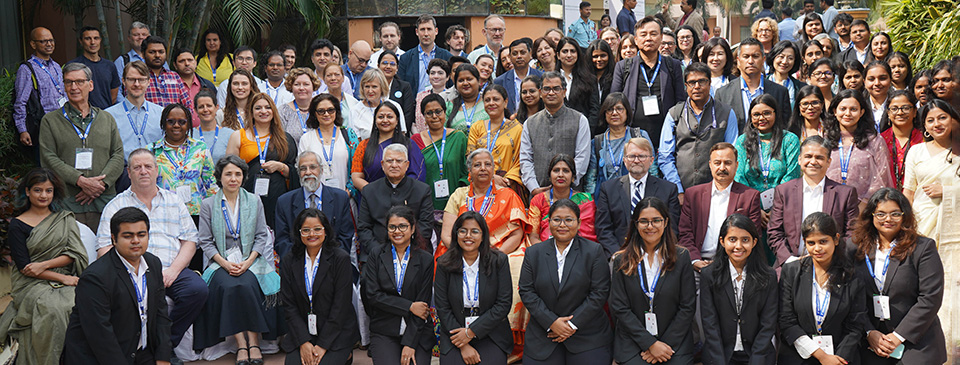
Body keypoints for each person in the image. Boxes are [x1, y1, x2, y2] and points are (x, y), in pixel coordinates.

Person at [95, 149, 208, 352]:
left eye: (148, 166)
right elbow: (104, 248)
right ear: (129, 173)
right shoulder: (116, 206)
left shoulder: (174, 201)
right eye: (137, 167)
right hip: (132, 272)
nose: (143, 171)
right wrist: (127, 275)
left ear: (157, 170)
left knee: (197, 290)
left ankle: (162, 345)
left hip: (170, 269)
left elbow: (190, 241)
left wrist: (173, 270)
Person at [193, 155, 279, 363]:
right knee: (231, 286)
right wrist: (225, 263)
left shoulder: (253, 200)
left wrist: (248, 262)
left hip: (251, 260)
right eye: (228, 174)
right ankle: (242, 345)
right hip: (221, 262)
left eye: (238, 174)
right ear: (219, 177)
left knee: (248, 284)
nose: (233, 178)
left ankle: (255, 342)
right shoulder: (208, 204)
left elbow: (261, 235)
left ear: (243, 177)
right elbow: (205, 241)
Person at [1, 168, 88, 365]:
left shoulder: (64, 219)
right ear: (28, 192)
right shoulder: (17, 224)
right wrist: (61, 278)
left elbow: (75, 253)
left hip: (61, 273)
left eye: (48, 191)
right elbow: (26, 268)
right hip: (30, 282)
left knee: (81, 302)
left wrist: (46, 264)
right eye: (38, 190)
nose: (43, 195)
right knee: (53, 308)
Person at [63, 207, 171, 364]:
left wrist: (163, 357)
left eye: (141, 235)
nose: (136, 241)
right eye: (128, 236)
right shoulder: (95, 277)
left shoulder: (153, 264)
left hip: (141, 352)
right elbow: (99, 334)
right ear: (114, 239)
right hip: (102, 357)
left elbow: (161, 313)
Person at [851, 188, 947, 363]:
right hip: (872, 342)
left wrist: (898, 336)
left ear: (905, 216)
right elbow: (851, 297)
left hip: (916, 342)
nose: (888, 219)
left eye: (895, 214)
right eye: (880, 214)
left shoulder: (923, 248)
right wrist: (869, 331)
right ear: (871, 216)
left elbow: (930, 298)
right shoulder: (855, 248)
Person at [518, 199, 613, 364]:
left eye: (569, 220)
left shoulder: (594, 251)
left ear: (579, 223)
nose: (562, 225)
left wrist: (572, 324)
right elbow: (527, 291)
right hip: (544, 334)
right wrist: (551, 322)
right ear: (548, 222)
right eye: (556, 219)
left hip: (587, 334)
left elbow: (600, 292)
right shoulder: (534, 253)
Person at [38, 62, 125, 232]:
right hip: (69, 202)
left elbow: (118, 154)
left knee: (104, 252)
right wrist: (80, 181)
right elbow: (48, 158)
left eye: (79, 81)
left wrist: (100, 185)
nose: (74, 87)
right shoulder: (50, 121)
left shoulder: (107, 119)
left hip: (103, 201)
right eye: (68, 82)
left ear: (90, 85)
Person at [609, 197, 695, 365]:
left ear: (666, 222)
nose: (650, 226)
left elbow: (687, 306)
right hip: (633, 343)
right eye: (644, 221)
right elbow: (620, 308)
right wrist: (650, 344)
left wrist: (663, 346)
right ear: (635, 224)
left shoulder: (682, 257)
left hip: (674, 343)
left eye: (656, 220)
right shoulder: (622, 260)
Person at [778, 212, 865, 365]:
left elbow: (855, 325)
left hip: (841, 357)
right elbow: (786, 321)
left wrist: (838, 359)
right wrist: (822, 356)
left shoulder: (852, 275)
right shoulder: (791, 271)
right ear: (804, 242)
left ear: (836, 239)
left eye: (823, 241)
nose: (817, 248)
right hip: (799, 357)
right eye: (811, 243)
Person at [279, 208, 359, 365]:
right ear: (299, 233)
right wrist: (304, 342)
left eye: (317, 229)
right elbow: (289, 306)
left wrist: (322, 345)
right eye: (306, 230)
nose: (312, 234)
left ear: (326, 231)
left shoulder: (340, 259)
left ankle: (346, 354)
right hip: (304, 332)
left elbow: (340, 307)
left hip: (336, 332)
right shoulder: (289, 260)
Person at [434, 211, 513, 365]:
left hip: (491, 332)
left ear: (483, 235)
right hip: (455, 333)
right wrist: (463, 343)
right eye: (462, 231)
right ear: (456, 234)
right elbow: (442, 307)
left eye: (474, 231)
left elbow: (503, 305)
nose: (468, 236)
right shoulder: (444, 263)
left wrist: (471, 332)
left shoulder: (498, 261)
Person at [768, 136, 860, 267]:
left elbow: (852, 234)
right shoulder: (783, 191)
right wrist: (790, 260)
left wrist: (831, 258)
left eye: (819, 157)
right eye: (808, 156)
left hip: (833, 265)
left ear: (829, 162)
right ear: (800, 160)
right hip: (790, 265)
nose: (813, 161)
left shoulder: (845, 193)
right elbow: (774, 232)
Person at [361, 205, 435, 365]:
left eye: (402, 226)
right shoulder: (376, 254)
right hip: (384, 329)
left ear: (413, 228)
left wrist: (410, 343)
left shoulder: (425, 259)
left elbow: (422, 307)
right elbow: (373, 295)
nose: (397, 231)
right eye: (392, 227)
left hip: (417, 330)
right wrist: (409, 306)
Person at [700, 214, 778, 364]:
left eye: (745, 240)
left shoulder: (768, 276)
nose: (738, 246)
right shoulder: (709, 275)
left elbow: (768, 324)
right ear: (722, 241)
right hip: (720, 355)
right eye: (732, 239)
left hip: (758, 356)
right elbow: (710, 324)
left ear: (754, 242)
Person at [659, 62, 740, 194]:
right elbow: (665, 156)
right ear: (686, 86)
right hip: (681, 190)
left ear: (710, 84)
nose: (697, 87)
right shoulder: (674, 114)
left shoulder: (726, 112)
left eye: (702, 81)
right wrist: (678, 190)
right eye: (692, 82)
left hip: (718, 191)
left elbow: (733, 153)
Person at [678, 143, 763, 266]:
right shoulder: (693, 195)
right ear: (710, 165)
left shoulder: (749, 196)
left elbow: (753, 236)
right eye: (717, 163)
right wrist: (695, 261)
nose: (722, 168)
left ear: (736, 165)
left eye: (728, 163)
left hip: (734, 265)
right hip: (698, 263)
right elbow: (685, 233)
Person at [596, 137, 680, 257]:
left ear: (651, 160)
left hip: (657, 255)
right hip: (620, 254)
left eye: (641, 156)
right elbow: (603, 228)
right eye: (631, 156)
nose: (636, 160)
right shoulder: (609, 189)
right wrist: (619, 255)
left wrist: (656, 254)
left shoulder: (668, 189)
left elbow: (672, 229)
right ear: (625, 160)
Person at [225, 92, 299, 228]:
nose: (263, 111)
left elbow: (296, 173)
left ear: (273, 111)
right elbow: (229, 171)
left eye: (267, 107)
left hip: (278, 199)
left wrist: (280, 167)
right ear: (251, 112)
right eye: (258, 108)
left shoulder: (285, 139)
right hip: (247, 198)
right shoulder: (238, 136)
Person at [611, 17, 685, 147]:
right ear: (636, 39)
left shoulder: (673, 65)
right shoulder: (623, 66)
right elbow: (615, 101)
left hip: (666, 135)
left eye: (653, 34)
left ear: (661, 37)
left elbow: (680, 101)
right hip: (632, 136)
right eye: (643, 34)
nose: (648, 38)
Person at [356, 143, 433, 262]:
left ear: (407, 165)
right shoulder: (369, 190)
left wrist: (405, 250)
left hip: (413, 253)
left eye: (399, 161)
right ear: (382, 165)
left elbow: (425, 226)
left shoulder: (422, 190)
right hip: (376, 254)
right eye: (389, 161)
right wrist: (379, 252)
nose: (394, 165)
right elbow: (364, 228)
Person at [520, 72, 591, 194]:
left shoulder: (579, 120)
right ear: (541, 93)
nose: (551, 93)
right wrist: (534, 188)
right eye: (547, 89)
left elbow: (582, 158)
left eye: (556, 89)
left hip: (570, 194)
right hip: (539, 195)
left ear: (564, 92)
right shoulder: (529, 123)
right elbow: (526, 159)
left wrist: (566, 184)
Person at [275, 150, 355, 258]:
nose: (308, 172)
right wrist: (305, 262)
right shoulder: (284, 202)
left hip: (333, 264)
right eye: (303, 169)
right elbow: (282, 242)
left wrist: (325, 262)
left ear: (321, 170)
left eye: (312, 167)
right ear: (298, 173)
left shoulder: (340, 198)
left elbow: (345, 237)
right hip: (297, 263)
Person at [824, 89, 894, 205]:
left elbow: (882, 176)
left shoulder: (874, 140)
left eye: (853, 109)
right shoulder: (825, 139)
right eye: (843, 109)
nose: (847, 114)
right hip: (829, 203)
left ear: (862, 112)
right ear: (835, 111)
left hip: (864, 207)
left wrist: (864, 204)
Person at [903, 99, 960, 241]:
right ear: (925, 127)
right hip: (922, 222)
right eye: (930, 120)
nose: (937, 124)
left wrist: (946, 191)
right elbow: (908, 193)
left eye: (942, 118)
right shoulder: (916, 151)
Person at [150, 103, 217, 220]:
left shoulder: (200, 148)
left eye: (182, 122)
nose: (176, 125)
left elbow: (211, 185)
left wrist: (214, 214)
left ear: (189, 124)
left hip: (197, 213)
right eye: (171, 121)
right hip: (163, 214)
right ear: (163, 124)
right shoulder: (151, 151)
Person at [585, 92, 658, 195]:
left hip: (638, 195)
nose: (614, 113)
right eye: (610, 109)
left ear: (627, 112)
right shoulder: (597, 142)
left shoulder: (639, 135)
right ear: (604, 114)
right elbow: (591, 178)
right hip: (607, 198)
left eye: (619, 109)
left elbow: (652, 169)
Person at [715, 38, 790, 132]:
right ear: (738, 61)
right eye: (746, 56)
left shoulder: (780, 92)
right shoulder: (723, 94)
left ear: (763, 60)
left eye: (755, 56)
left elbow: (784, 128)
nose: (750, 61)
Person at [15, 27, 65, 164]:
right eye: (43, 41)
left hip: (62, 124)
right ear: (33, 44)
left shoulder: (56, 66)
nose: (49, 44)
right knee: (46, 168)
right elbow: (20, 102)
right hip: (44, 126)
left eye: (51, 40)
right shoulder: (26, 69)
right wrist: (22, 130)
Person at [734, 94, 801, 195]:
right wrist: (753, 202)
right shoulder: (743, 141)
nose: (761, 118)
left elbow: (792, 174)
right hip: (749, 202)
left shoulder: (789, 139)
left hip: (784, 199)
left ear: (776, 114)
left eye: (767, 113)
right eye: (756, 115)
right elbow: (739, 176)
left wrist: (776, 201)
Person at [412, 94, 468, 214]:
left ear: (445, 112)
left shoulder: (458, 137)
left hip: (456, 200)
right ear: (423, 116)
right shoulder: (415, 140)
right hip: (426, 202)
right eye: (429, 113)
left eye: (438, 111)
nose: (434, 116)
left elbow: (466, 170)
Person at [297, 92, 360, 197]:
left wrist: (348, 193)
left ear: (336, 111)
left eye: (330, 110)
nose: (326, 114)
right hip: (316, 198)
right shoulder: (306, 139)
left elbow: (357, 168)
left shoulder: (348, 135)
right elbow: (302, 170)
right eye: (321, 111)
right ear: (315, 114)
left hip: (346, 198)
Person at [351, 103, 424, 189]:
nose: (385, 120)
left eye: (389, 117)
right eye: (380, 117)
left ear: (397, 121)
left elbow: (417, 174)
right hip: (372, 199)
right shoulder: (364, 145)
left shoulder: (409, 145)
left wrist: (398, 194)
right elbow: (356, 177)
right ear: (375, 121)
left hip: (404, 198)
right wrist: (373, 194)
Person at [528, 153, 597, 243]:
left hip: (578, 252)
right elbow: (533, 237)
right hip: (545, 251)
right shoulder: (538, 200)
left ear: (573, 177)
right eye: (556, 170)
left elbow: (588, 237)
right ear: (550, 176)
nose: (560, 175)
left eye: (566, 171)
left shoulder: (585, 200)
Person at [106, 61, 166, 162]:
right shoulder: (109, 115)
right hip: (123, 172)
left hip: (155, 171)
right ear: (123, 81)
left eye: (141, 80)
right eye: (132, 79)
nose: (136, 84)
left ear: (148, 82)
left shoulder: (161, 114)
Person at [880, 90, 923, 190]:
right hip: (887, 198)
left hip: (918, 197)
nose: (900, 112)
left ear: (915, 112)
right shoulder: (879, 140)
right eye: (894, 109)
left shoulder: (925, 140)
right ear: (888, 113)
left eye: (906, 108)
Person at [399, 15, 453, 94]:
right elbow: (401, 85)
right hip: (414, 103)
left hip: (441, 102)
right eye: (422, 30)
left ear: (436, 31)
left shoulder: (447, 56)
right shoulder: (406, 58)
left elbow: (451, 85)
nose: (426, 34)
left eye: (429, 29)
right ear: (417, 32)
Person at [349, 68, 408, 140]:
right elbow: (355, 142)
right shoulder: (355, 110)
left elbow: (402, 135)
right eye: (367, 86)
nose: (370, 91)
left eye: (374, 87)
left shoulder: (394, 106)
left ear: (382, 87)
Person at [556, 38, 601, 132]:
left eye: (573, 51)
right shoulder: (551, 79)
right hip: (556, 132)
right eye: (565, 51)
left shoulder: (589, 79)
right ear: (558, 55)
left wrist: (587, 131)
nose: (569, 55)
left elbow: (594, 109)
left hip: (583, 131)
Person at [71, 26, 119, 109]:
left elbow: (114, 93)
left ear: (100, 40)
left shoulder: (110, 66)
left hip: (105, 113)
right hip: (81, 115)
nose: (92, 42)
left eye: (96, 38)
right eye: (88, 39)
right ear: (81, 41)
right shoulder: (74, 66)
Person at [142, 36, 194, 114]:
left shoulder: (174, 76)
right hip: (148, 124)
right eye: (152, 52)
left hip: (174, 123)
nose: (157, 55)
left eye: (161, 52)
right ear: (143, 54)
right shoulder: (138, 77)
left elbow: (187, 106)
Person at [494, 38, 544, 116]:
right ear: (510, 57)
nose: (519, 56)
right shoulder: (500, 81)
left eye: (523, 52)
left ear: (530, 54)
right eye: (515, 53)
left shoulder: (542, 77)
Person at [173, 49, 217, 126]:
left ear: (195, 63)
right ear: (175, 65)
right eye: (182, 61)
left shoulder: (207, 85)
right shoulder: (170, 86)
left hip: (203, 132)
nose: (187, 64)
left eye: (190, 60)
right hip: (178, 132)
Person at [279, 67, 321, 144]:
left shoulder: (321, 109)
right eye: (297, 84)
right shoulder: (283, 111)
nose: (301, 88)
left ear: (313, 86)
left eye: (306, 84)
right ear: (291, 87)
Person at [378, 51, 417, 131]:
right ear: (378, 66)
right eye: (385, 63)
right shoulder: (373, 86)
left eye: (392, 64)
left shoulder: (404, 87)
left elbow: (408, 114)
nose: (388, 67)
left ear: (397, 68)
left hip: (398, 133)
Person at [192, 90, 233, 165]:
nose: (205, 109)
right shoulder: (189, 135)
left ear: (216, 107)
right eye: (201, 107)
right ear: (195, 110)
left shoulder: (230, 134)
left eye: (209, 106)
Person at [445, 64, 488, 134]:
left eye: (469, 79)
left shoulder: (489, 103)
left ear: (478, 81)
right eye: (461, 80)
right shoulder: (449, 106)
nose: (465, 83)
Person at [767, 41, 808, 110]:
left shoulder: (801, 88)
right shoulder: (761, 84)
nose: (784, 62)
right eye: (781, 57)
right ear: (773, 57)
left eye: (790, 58)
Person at [413, 59, 449, 133]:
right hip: (422, 140)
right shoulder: (420, 97)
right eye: (432, 73)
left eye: (440, 73)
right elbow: (413, 124)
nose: (436, 76)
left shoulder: (453, 97)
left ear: (447, 77)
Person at [865, 61, 893, 130]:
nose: (877, 83)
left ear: (890, 80)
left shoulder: (898, 105)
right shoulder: (859, 106)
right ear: (864, 82)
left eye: (882, 78)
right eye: (871, 79)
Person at [587, 39, 616, 103]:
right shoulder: (584, 77)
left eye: (603, 56)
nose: (599, 59)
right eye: (595, 56)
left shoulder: (616, 75)